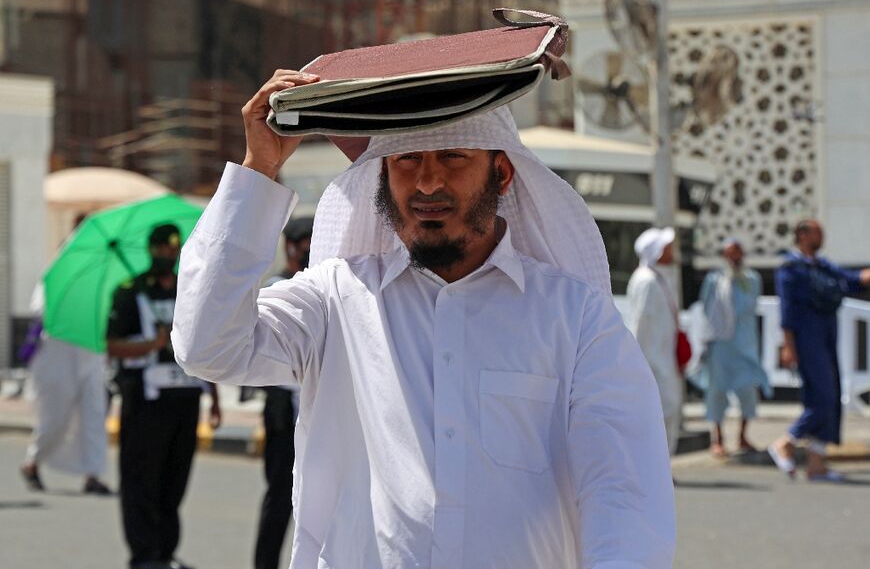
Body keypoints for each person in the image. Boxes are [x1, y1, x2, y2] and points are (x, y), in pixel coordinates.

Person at [173, 69, 676, 568]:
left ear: (501, 173)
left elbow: (624, 495)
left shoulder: (575, 317)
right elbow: (209, 347)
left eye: (453, 156)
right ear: (382, 177)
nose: (428, 180)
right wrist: (259, 169)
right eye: (407, 159)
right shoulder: (337, 298)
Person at [107, 224, 222, 569]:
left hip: (185, 400)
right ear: (151, 250)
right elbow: (113, 345)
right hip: (145, 402)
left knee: (175, 479)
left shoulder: (189, 292)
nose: (167, 256)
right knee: (142, 479)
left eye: (173, 251)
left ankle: (165, 552)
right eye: (162, 250)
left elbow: (205, 345)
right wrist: (151, 345)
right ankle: (143, 554)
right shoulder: (130, 292)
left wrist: (214, 397)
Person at [769, 219, 870, 481]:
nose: (822, 236)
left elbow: (855, 280)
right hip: (806, 341)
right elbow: (787, 312)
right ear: (802, 235)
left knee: (831, 396)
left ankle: (816, 464)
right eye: (817, 232)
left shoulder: (823, 266)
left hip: (826, 338)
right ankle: (786, 443)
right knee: (821, 398)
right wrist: (789, 347)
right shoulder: (791, 269)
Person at [20, 214, 111, 495]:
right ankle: (33, 462)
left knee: (94, 414)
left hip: (93, 352)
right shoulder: (59, 271)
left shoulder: (107, 273)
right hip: (58, 351)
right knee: (55, 416)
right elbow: (41, 310)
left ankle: (92, 474)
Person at [253, 216, 312, 569]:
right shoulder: (277, 287)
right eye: (302, 242)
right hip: (284, 414)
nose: (307, 249)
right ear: (290, 246)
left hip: (318, 412)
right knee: (279, 499)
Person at [697, 238, 770, 457]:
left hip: (745, 344)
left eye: (737, 252)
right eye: (730, 253)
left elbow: (750, 306)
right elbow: (706, 308)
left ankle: (743, 436)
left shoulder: (752, 279)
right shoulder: (713, 279)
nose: (734, 257)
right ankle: (717, 438)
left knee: (748, 390)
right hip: (721, 346)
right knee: (717, 391)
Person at [626, 227, 684, 456]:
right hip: (652, 362)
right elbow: (639, 323)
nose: (671, 251)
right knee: (660, 412)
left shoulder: (656, 278)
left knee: (667, 411)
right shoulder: (646, 282)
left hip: (662, 359)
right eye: (667, 247)